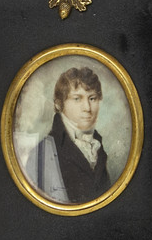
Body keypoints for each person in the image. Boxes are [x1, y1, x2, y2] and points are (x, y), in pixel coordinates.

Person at [23, 67, 111, 203]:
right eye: (77, 99)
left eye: (92, 98)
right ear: (59, 104)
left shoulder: (97, 146)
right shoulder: (42, 153)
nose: (87, 108)